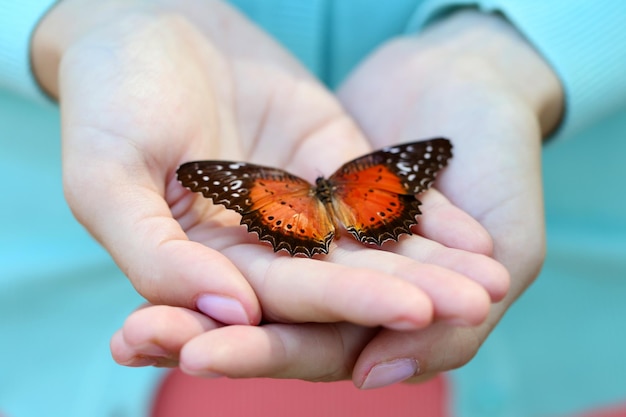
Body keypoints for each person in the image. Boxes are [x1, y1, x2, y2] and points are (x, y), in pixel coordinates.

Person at [1, 2, 624, 417]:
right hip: (45, 258)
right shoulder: (355, 176)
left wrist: (525, 44)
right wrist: (84, 14)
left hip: (585, 251)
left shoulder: (278, 184)